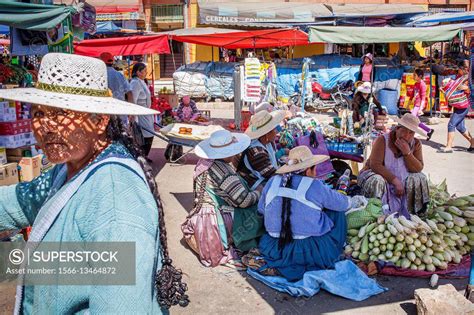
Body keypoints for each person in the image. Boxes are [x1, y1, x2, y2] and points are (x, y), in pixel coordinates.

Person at [0, 53, 188, 313]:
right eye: (39, 113)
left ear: (99, 121)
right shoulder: (70, 168)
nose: (46, 126)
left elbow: (121, 306)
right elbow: (19, 201)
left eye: (61, 114)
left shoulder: (115, 198)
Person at [242, 146, 359, 281]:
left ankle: (278, 265)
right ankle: (335, 248)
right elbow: (344, 204)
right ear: (308, 170)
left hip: (274, 246)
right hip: (310, 250)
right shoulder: (316, 186)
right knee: (337, 212)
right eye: (314, 168)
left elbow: (261, 210)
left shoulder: (272, 182)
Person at [182, 130, 264, 267]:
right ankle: (244, 241)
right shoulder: (223, 171)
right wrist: (259, 192)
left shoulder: (205, 162)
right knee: (258, 213)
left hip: (203, 213)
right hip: (215, 218)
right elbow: (243, 201)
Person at [358, 113, 430, 217]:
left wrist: (407, 153)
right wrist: (395, 181)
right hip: (379, 177)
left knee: (419, 177)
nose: (407, 136)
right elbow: (375, 165)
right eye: (404, 130)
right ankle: (375, 214)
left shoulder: (416, 143)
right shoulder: (382, 140)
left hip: (402, 179)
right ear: (397, 129)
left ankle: (413, 214)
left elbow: (418, 168)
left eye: (411, 133)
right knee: (377, 180)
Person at [237, 110, 286, 190]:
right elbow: (272, 174)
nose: (277, 132)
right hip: (255, 184)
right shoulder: (256, 152)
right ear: (266, 133)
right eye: (274, 129)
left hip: (265, 177)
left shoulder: (267, 143)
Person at [438, 63, 473, 153]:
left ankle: (449, 146)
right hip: (458, 106)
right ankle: (473, 143)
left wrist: (463, 87)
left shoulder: (467, 79)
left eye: (459, 69)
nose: (458, 71)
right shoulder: (459, 78)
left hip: (463, 107)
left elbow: (469, 90)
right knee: (460, 128)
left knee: (451, 125)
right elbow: (453, 89)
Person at [130, 63, 155, 159]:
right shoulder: (135, 83)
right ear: (138, 72)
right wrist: (134, 115)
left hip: (146, 112)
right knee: (145, 135)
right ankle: (141, 156)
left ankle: (144, 155)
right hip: (140, 114)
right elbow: (133, 100)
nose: (146, 73)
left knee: (149, 134)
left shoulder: (142, 81)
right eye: (144, 71)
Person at [100, 52, 133, 125]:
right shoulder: (120, 75)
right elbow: (130, 93)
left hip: (104, 115)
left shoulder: (99, 76)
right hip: (120, 112)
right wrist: (131, 112)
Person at [409, 68, 434, 140]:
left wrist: (420, 108)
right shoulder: (416, 84)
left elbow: (423, 98)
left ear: (419, 76)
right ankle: (429, 130)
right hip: (415, 105)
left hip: (418, 105)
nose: (413, 76)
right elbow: (412, 95)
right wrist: (409, 104)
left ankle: (413, 134)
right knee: (416, 121)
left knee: (412, 119)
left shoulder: (422, 85)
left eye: (415, 75)